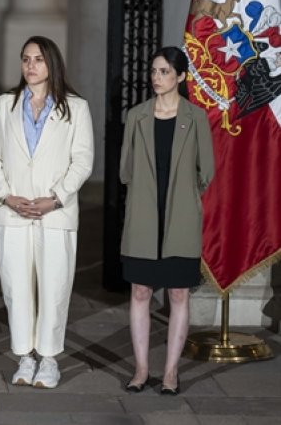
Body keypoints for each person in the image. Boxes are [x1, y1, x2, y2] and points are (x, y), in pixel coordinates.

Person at [0, 35, 94, 389]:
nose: (30, 66)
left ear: (52, 65)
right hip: (13, 213)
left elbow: (83, 161)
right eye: (26, 59)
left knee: (53, 285)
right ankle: (24, 356)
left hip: (55, 213)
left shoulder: (75, 108)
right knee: (16, 286)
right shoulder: (4, 105)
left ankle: (48, 359)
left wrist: (55, 198)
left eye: (38, 60)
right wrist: (6, 197)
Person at [119, 46, 214, 395]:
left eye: (163, 72)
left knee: (177, 293)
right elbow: (125, 169)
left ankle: (170, 372)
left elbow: (208, 170)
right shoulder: (137, 116)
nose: (156, 78)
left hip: (181, 218)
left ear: (181, 77)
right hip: (144, 215)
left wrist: (188, 198)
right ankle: (142, 369)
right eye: (154, 71)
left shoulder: (196, 118)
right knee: (141, 290)